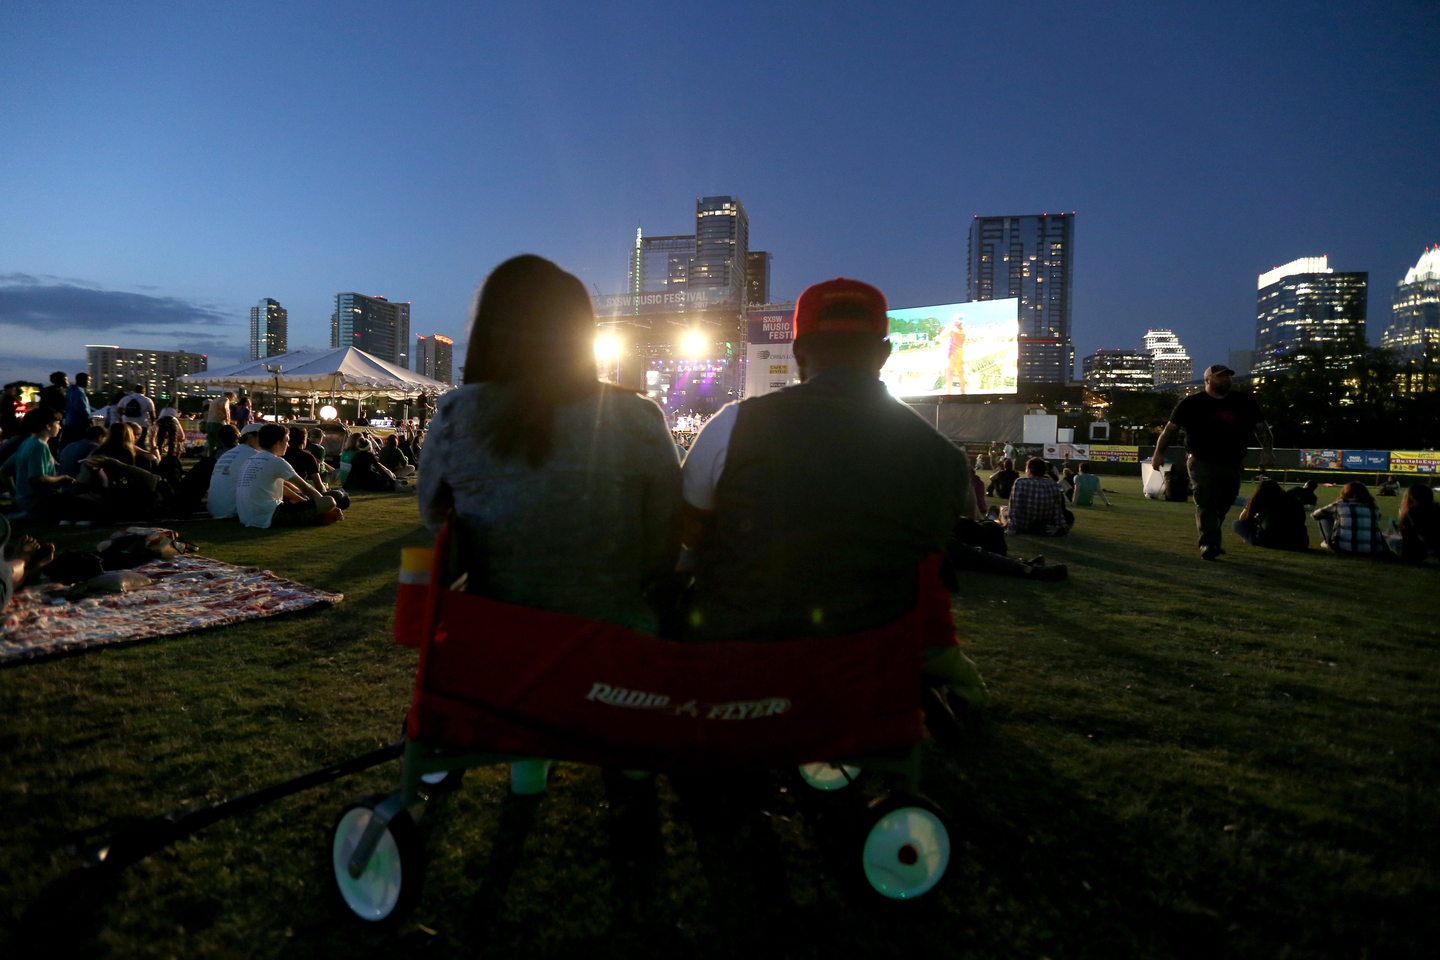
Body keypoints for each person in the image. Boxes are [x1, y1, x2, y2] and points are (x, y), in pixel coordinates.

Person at [418, 254, 681, 634]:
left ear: (491, 329)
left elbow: (435, 519)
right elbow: (663, 544)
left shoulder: (458, 415)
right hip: (612, 648)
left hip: (492, 642)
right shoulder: (639, 417)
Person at [1152, 363, 1275, 561]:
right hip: (1201, 460)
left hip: (1233, 461)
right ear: (1207, 380)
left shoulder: (1243, 401)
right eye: (1220, 376)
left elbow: (1261, 428)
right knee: (1207, 500)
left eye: (1228, 376)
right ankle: (1208, 543)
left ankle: (1213, 538)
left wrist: (1268, 451)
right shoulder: (1192, 403)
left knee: (1225, 501)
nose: (1225, 379)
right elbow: (1170, 430)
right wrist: (1158, 453)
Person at [234, 423, 341, 528]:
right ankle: (321, 517)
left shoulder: (250, 460)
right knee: (329, 501)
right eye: (286, 441)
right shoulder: (276, 461)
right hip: (271, 515)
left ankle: (319, 516)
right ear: (278, 443)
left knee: (300, 501)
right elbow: (306, 488)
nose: (288, 445)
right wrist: (329, 506)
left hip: (246, 517)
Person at [4, 408, 75, 513]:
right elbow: (38, 479)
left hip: (24, 501)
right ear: (48, 426)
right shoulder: (39, 446)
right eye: (58, 423)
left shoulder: (26, 443)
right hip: (38, 501)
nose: (60, 427)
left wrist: (15, 495)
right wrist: (62, 478)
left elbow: (4, 470)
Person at [207, 422, 265, 519]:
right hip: (234, 510)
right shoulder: (253, 455)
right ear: (251, 437)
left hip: (216, 509)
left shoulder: (227, 454)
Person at [1312, 482, 1387, 557]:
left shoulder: (1340, 504)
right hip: (1373, 549)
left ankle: (1327, 542)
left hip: (1344, 548)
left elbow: (1315, 515)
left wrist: (1336, 517)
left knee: (1324, 517)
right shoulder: (1373, 506)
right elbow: (1378, 518)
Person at [1232, 478, 1309, 551]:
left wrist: (1249, 506)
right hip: (1299, 542)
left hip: (1270, 540)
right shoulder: (1294, 500)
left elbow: (1243, 519)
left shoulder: (1262, 500)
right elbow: (1302, 519)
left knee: (1237, 524)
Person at [1003, 458, 1070, 536]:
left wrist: (1011, 528)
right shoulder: (1053, 484)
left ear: (1029, 470)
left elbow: (1014, 508)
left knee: (1003, 509)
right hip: (1045, 526)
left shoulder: (1020, 482)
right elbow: (1057, 510)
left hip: (1022, 525)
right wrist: (1061, 526)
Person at [1396, 484, 1439, 564]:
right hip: (1434, 549)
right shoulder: (1435, 510)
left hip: (1421, 552)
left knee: (1391, 540)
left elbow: (1409, 538)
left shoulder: (1412, 513)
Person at [61, 372, 95, 447]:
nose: (89, 383)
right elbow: (81, 409)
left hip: (69, 423)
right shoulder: (79, 392)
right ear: (83, 380)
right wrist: (90, 419)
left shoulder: (69, 390)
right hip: (80, 425)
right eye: (88, 380)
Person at [118, 384, 156, 449]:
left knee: (126, 440)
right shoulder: (147, 400)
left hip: (127, 422)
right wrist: (152, 422)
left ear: (134, 390)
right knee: (140, 442)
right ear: (144, 392)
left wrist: (127, 414)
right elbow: (152, 414)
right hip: (142, 423)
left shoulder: (126, 398)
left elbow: (119, 410)